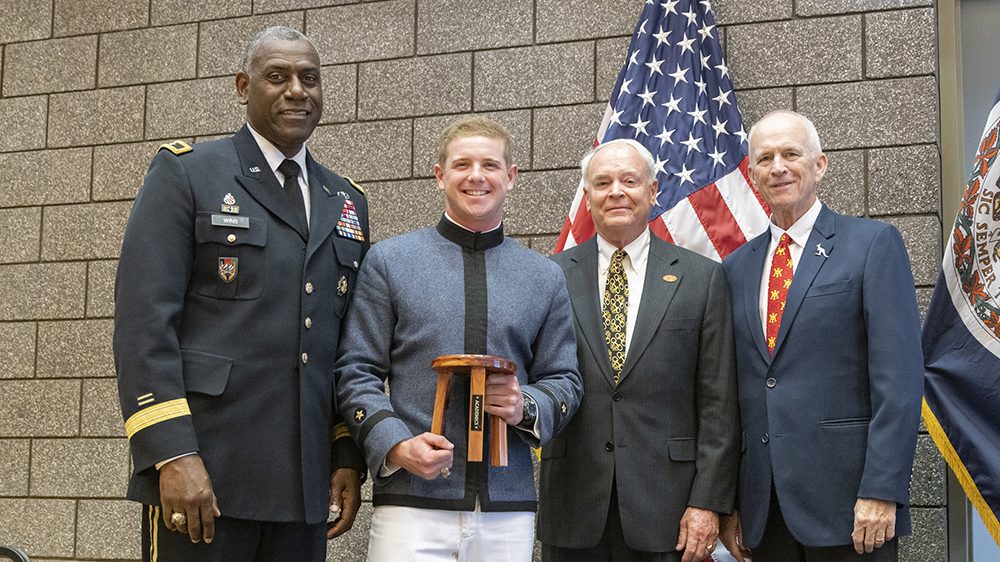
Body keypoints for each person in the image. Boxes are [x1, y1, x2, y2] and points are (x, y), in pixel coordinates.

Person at [113, 26, 367, 561]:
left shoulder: (344, 199)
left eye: (310, 79)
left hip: (302, 483)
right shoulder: (187, 173)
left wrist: (346, 451)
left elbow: (341, 345)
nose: (297, 90)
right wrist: (172, 453)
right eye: (277, 76)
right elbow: (144, 327)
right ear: (242, 85)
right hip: (206, 475)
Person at [334, 115, 583, 561]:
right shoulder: (390, 262)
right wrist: (395, 443)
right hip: (411, 505)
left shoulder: (544, 276)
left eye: (489, 165)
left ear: (511, 177)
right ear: (439, 176)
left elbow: (564, 378)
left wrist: (525, 405)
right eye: (462, 164)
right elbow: (356, 372)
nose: (476, 176)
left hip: (507, 511)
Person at [720, 110, 923, 561]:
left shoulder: (872, 245)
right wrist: (731, 503)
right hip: (764, 510)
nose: (778, 167)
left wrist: (882, 489)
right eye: (765, 158)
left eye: (791, 154)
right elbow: (734, 393)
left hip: (852, 507)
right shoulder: (736, 268)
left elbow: (900, 383)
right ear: (752, 174)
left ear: (820, 165)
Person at [537, 139, 739, 562]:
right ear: (587, 195)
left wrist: (708, 503)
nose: (616, 191)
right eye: (602, 182)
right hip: (574, 507)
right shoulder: (549, 276)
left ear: (653, 190)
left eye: (629, 180)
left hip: (669, 509)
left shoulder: (702, 278)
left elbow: (719, 404)